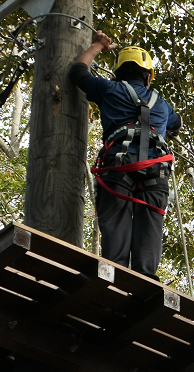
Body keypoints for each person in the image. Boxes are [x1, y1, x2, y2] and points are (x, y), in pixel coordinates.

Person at [70, 31, 182, 279]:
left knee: (116, 222)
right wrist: (165, 127)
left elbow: (78, 72)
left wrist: (98, 45)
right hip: (156, 169)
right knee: (151, 224)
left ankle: (115, 273)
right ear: (148, 76)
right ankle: (146, 278)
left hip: (119, 166)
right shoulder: (162, 104)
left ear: (119, 73)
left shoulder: (109, 88)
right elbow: (177, 122)